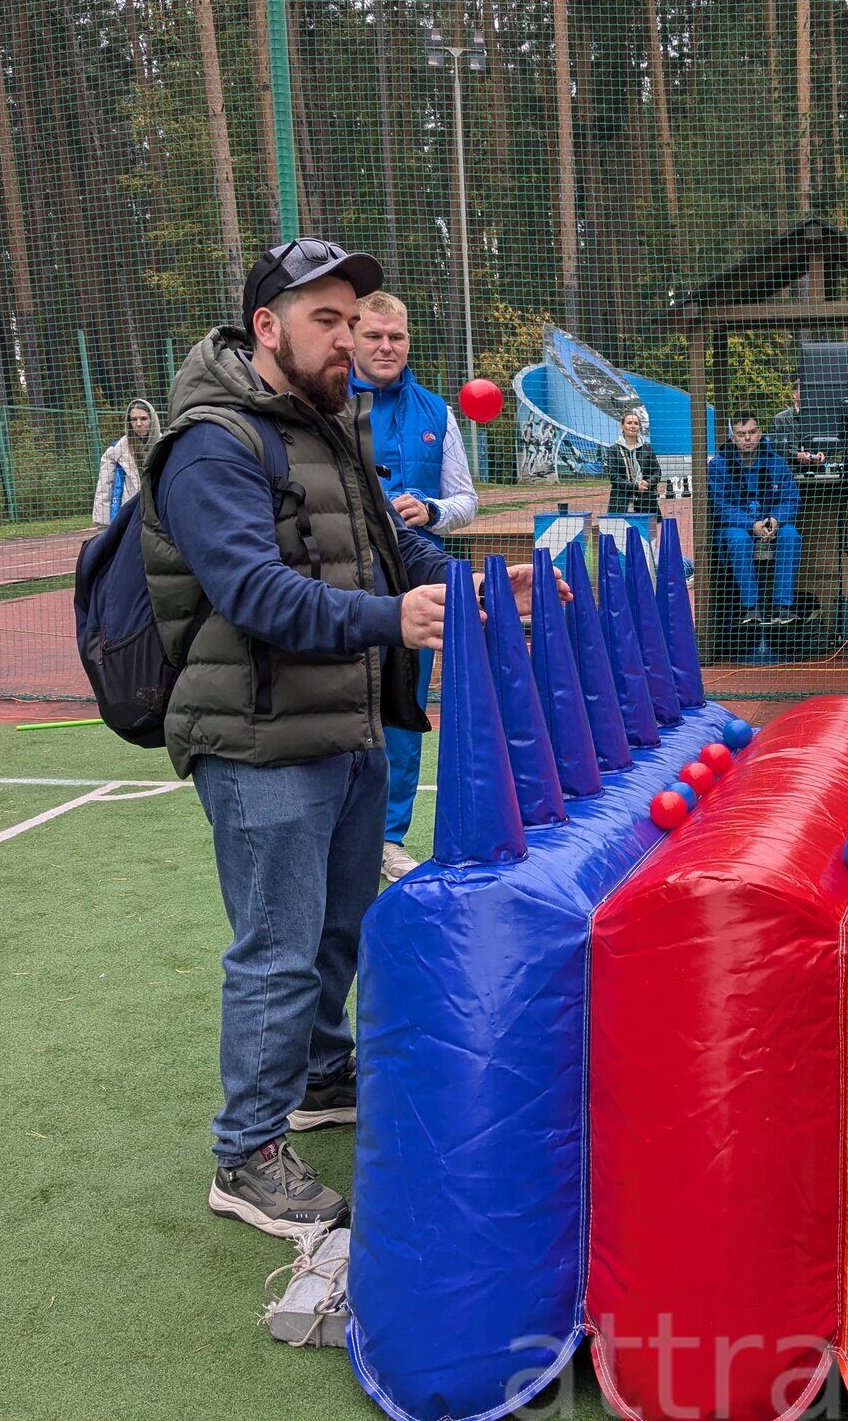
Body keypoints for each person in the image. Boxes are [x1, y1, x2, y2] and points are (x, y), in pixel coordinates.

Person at [141, 237, 558, 1237]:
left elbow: (390, 543)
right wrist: (394, 621)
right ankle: (246, 1155)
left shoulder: (330, 426)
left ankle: (322, 1077)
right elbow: (253, 593)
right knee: (279, 950)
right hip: (259, 734)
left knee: (337, 925)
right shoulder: (210, 444)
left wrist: (469, 584)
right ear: (267, 330)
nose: (349, 338)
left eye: (353, 317)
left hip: (344, 720)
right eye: (326, 320)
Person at [347, 291, 479, 884]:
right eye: (374, 336)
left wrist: (430, 509)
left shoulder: (436, 412)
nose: (385, 347)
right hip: (345, 585)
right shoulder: (323, 407)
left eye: (396, 337)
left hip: (420, 585)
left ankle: (388, 838)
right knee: (344, 702)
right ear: (352, 338)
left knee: (405, 710)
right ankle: (341, 828)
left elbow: (467, 501)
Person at [709, 412, 801, 626]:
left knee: (791, 535)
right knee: (738, 539)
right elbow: (720, 505)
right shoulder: (718, 465)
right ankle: (751, 608)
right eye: (742, 434)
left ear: (760, 434)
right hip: (738, 525)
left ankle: (782, 607)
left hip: (770, 521)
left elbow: (792, 499)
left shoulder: (777, 462)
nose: (748, 439)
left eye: (752, 432)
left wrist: (775, 520)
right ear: (732, 438)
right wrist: (751, 524)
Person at [92, 399, 159, 525]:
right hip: (129, 515)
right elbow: (104, 487)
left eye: (143, 418)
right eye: (134, 419)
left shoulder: (164, 446)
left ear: (152, 420)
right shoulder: (117, 451)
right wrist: (102, 523)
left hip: (159, 514)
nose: (138, 424)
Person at [600, 408, 662, 517]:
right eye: (629, 423)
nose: (633, 426)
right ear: (622, 426)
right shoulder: (613, 450)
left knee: (647, 531)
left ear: (639, 427)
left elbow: (657, 472)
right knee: (620, 530)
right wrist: (634, 486)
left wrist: (647, 482)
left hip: (645, 499)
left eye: (636, 423)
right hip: (620, 501)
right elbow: (614, 477)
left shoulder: (647, 447)